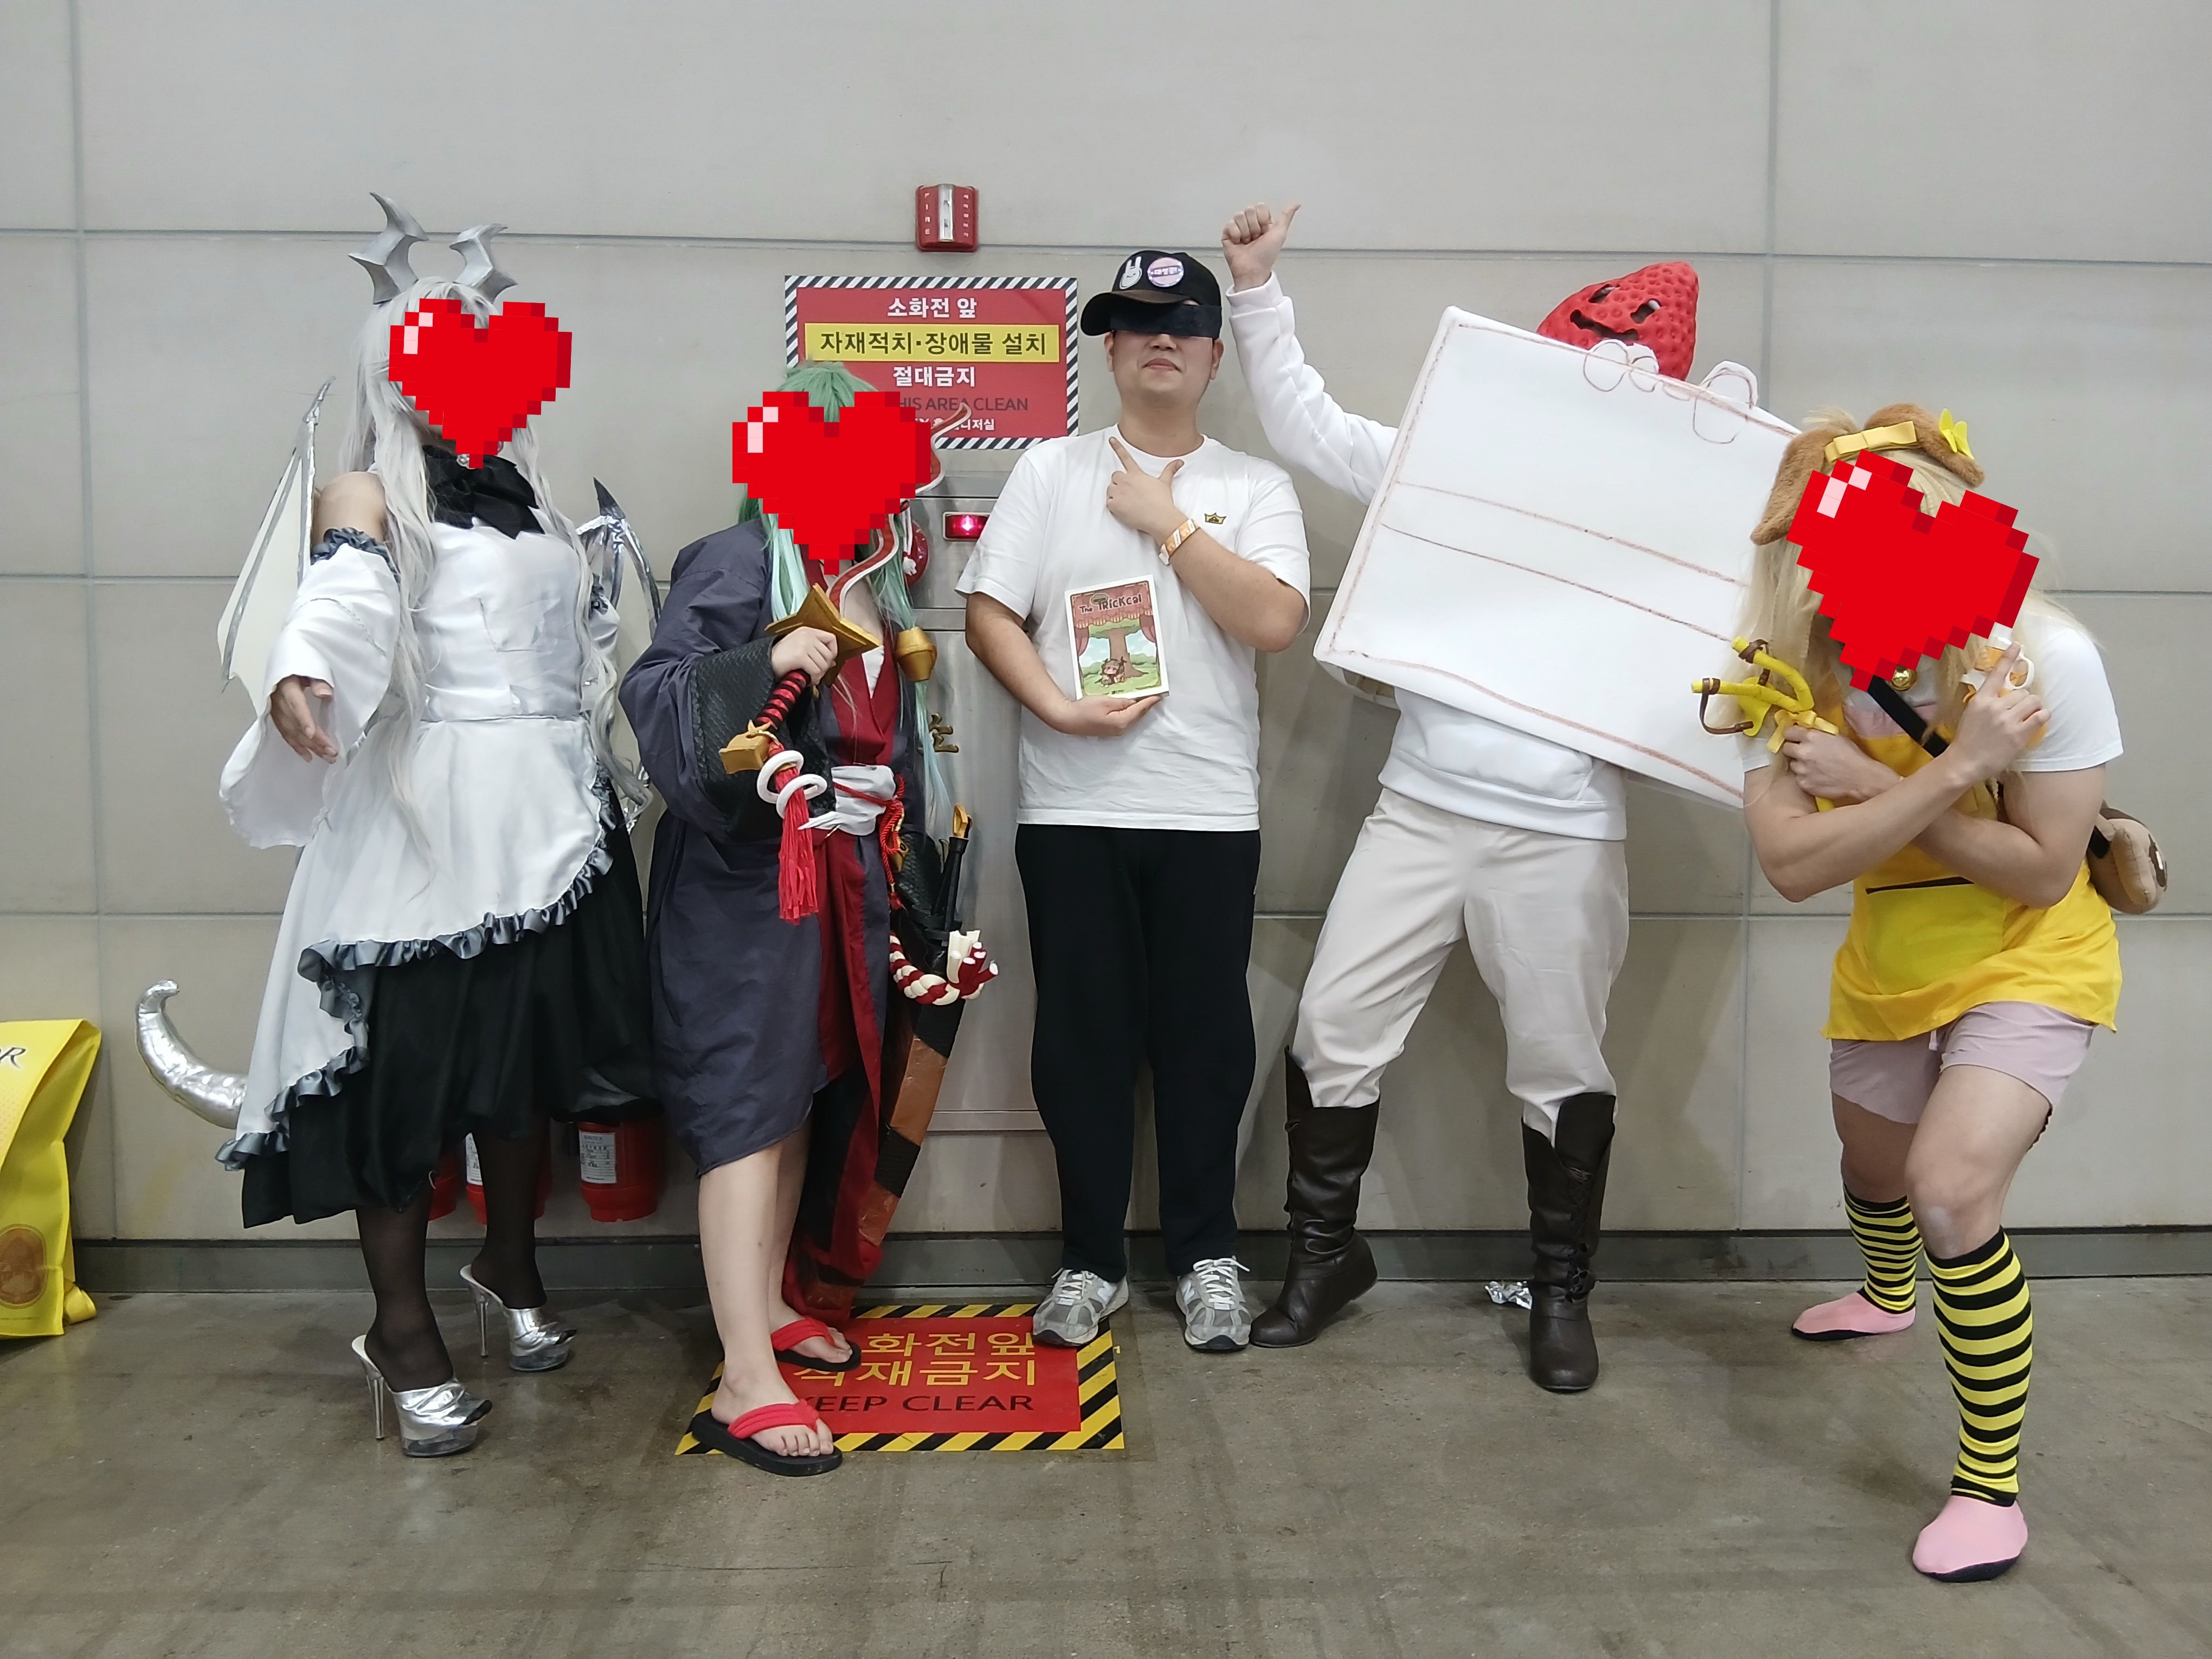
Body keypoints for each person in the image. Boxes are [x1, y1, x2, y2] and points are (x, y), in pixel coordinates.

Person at [216, 208, 655, 1456]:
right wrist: (304, 674)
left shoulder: (539, 498)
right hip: (429, 821)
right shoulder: (369, 490)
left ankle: (510, 1269)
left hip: (556, 816)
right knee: (408, 1086)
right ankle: (402, 1331)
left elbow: (582, 646)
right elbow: (345, 594)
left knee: (521, 1074)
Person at [1219, 202, 1669, 1390]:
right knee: (1332, 1030)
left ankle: (1562, 1293)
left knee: (1562, 1063)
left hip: (1564, 831)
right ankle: (1325, 1258)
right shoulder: (1451, 468)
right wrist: (1257, 289)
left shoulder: (1669, 528)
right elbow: (1309, 426)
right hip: (1420, 806)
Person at [1732, 406, 2122, 1581]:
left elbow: (2042, 869)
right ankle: (1886, 1293)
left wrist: (1875, 788)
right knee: (1876, 1174)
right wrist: (1955, 773)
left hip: (2033, 952)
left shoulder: (2043, 659)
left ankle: (1989, 1488)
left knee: (1950, 1193)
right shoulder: (1777, 670)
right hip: (1890, 958)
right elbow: (1792, 866)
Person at [960, 249, 1310, 1352]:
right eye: (1139, 322)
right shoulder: (1049, 470)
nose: (1162, 338)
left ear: (1214, 355)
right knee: (1081, 1044)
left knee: (1206, 1042)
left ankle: (1207, 1259)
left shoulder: (1255, 486)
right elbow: (988, 613)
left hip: (1207, 813)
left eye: (1185, 323)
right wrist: (1059, 710)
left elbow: (1275, 621)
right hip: (1074, 810)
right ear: (1109, 349)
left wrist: (1169, 522)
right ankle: (1089, 1262)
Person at [621, 362, 951, 1475]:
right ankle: (743, 1378)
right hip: (748, 886)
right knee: (748, 1109)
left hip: (846, 883)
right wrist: (762, 658)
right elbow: (657, 694)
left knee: (809, 1089)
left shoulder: (871, 576)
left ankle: (767, 1305)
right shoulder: (735, 561)